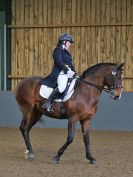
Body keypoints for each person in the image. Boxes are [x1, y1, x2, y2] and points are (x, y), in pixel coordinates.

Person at [40, 33, 76, 112]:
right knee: (62, 86)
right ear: (64, 42)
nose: (70, 44)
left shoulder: (66, 51)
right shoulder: (58, 50)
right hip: (60, 73)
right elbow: (59, 62)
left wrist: (74, 73)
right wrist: (67, 71)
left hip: (67, 74)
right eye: (69, 42)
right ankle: (48, 102)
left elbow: (70, 64)